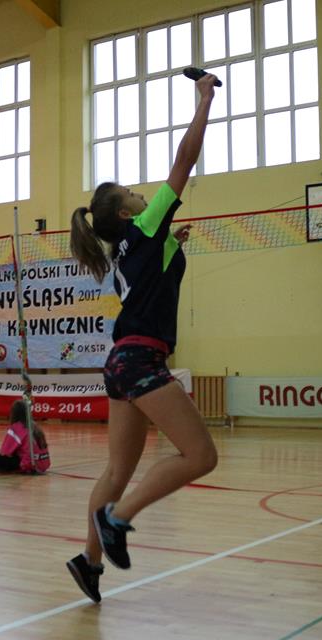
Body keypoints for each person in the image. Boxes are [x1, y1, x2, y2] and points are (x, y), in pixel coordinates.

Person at [64, 73, 219, 603]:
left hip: (119, 363)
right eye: (134, 194)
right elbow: (184, 161)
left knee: (117, 469)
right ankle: (118, 519)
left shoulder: (127, 251)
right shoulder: (146, 226)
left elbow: (153, 276)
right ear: (129, 213)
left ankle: (88, 561)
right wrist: (204, 100)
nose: (143, 193)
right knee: (201, 456)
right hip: (140, 362)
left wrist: (173, 242)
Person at [0, 400, 51, 474]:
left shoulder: (16, 428)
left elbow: (5, 451)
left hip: (29, 464)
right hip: (43, 464)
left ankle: (11, 468)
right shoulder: (35, 426)